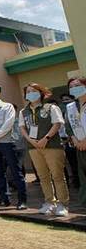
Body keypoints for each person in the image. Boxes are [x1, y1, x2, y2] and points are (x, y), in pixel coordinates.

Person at [19, 83, 68, 216]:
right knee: (43, 176)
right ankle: (49, 202)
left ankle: (62, 204)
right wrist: (31, 141)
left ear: (41, 92)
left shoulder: (51, 107)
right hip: (33, 148)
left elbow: (57, 124)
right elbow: (23, 128)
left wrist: (46, 138)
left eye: (34, 91)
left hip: (52, 145)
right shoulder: (24, 111)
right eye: (28, 91)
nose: (30, 93)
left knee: (57, 176)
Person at [65, 77, 86, 208]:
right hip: (79, 147)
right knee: (83, 176)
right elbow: (68, 127)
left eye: (77, 85)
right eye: (71, 87)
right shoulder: (70, 107)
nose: (74, 89)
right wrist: (75, 141)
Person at [60, 93, 79, 189]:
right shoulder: (62, 113)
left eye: (67, 99)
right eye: (63, 100)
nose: (65, 102)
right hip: (66, 142)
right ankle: (77, 182)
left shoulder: (76, 111)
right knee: (72, 163)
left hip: (78, 139)